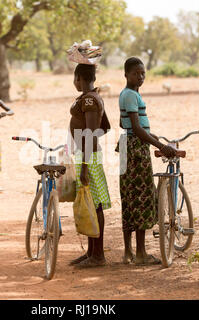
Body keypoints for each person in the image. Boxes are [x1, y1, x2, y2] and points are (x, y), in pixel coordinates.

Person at [117, 57, 178, 265]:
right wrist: (160, 145)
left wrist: (150, 136)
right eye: (136, 73)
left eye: (143, 73)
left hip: (126, 146)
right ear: (126, 74)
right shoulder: (131, 95)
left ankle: (127, 252)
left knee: (129, 197)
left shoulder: (125, 94)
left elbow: (123, 122)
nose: (140, 77)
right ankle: (141, 253)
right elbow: (137, 128)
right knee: (142, 196)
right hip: (136, 149)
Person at [69, 63, 111, 268]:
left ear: (79, 78)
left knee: (95, 205)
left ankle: (98, 255)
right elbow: (102, 128)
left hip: (89, 157)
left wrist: (85, 164)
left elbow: (91, 134)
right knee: (90, 203)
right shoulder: (93, 97)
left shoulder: (89, 99)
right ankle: (91, 252)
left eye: (74, 78)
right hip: (86, 154)